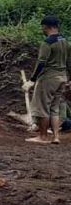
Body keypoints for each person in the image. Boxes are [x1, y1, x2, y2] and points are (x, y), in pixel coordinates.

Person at [23, 15, 68, 144]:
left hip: (48, 79)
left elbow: (41, 62)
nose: (42, 29)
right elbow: (69, 61)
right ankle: (56, 137)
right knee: (55, 108)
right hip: (62, 77)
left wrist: (32, 80)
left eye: (43, 27)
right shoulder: (65, 41)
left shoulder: (47, 43)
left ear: (46, 27)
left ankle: (42, 137)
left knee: (42, 107)